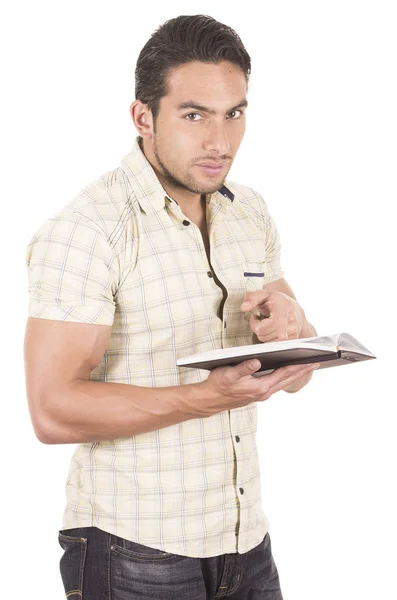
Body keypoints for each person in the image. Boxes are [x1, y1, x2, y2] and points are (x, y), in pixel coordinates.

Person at [24, 14, 320, 600]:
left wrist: (295, 330)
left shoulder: (248, 211)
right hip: (134, 550)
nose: (220, 141)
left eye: (234, 113)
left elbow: (297, 371)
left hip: (245, 544)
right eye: (194, 115)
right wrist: (204, 398)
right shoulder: (90, 230)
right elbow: (52, 411)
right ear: (143, 117)